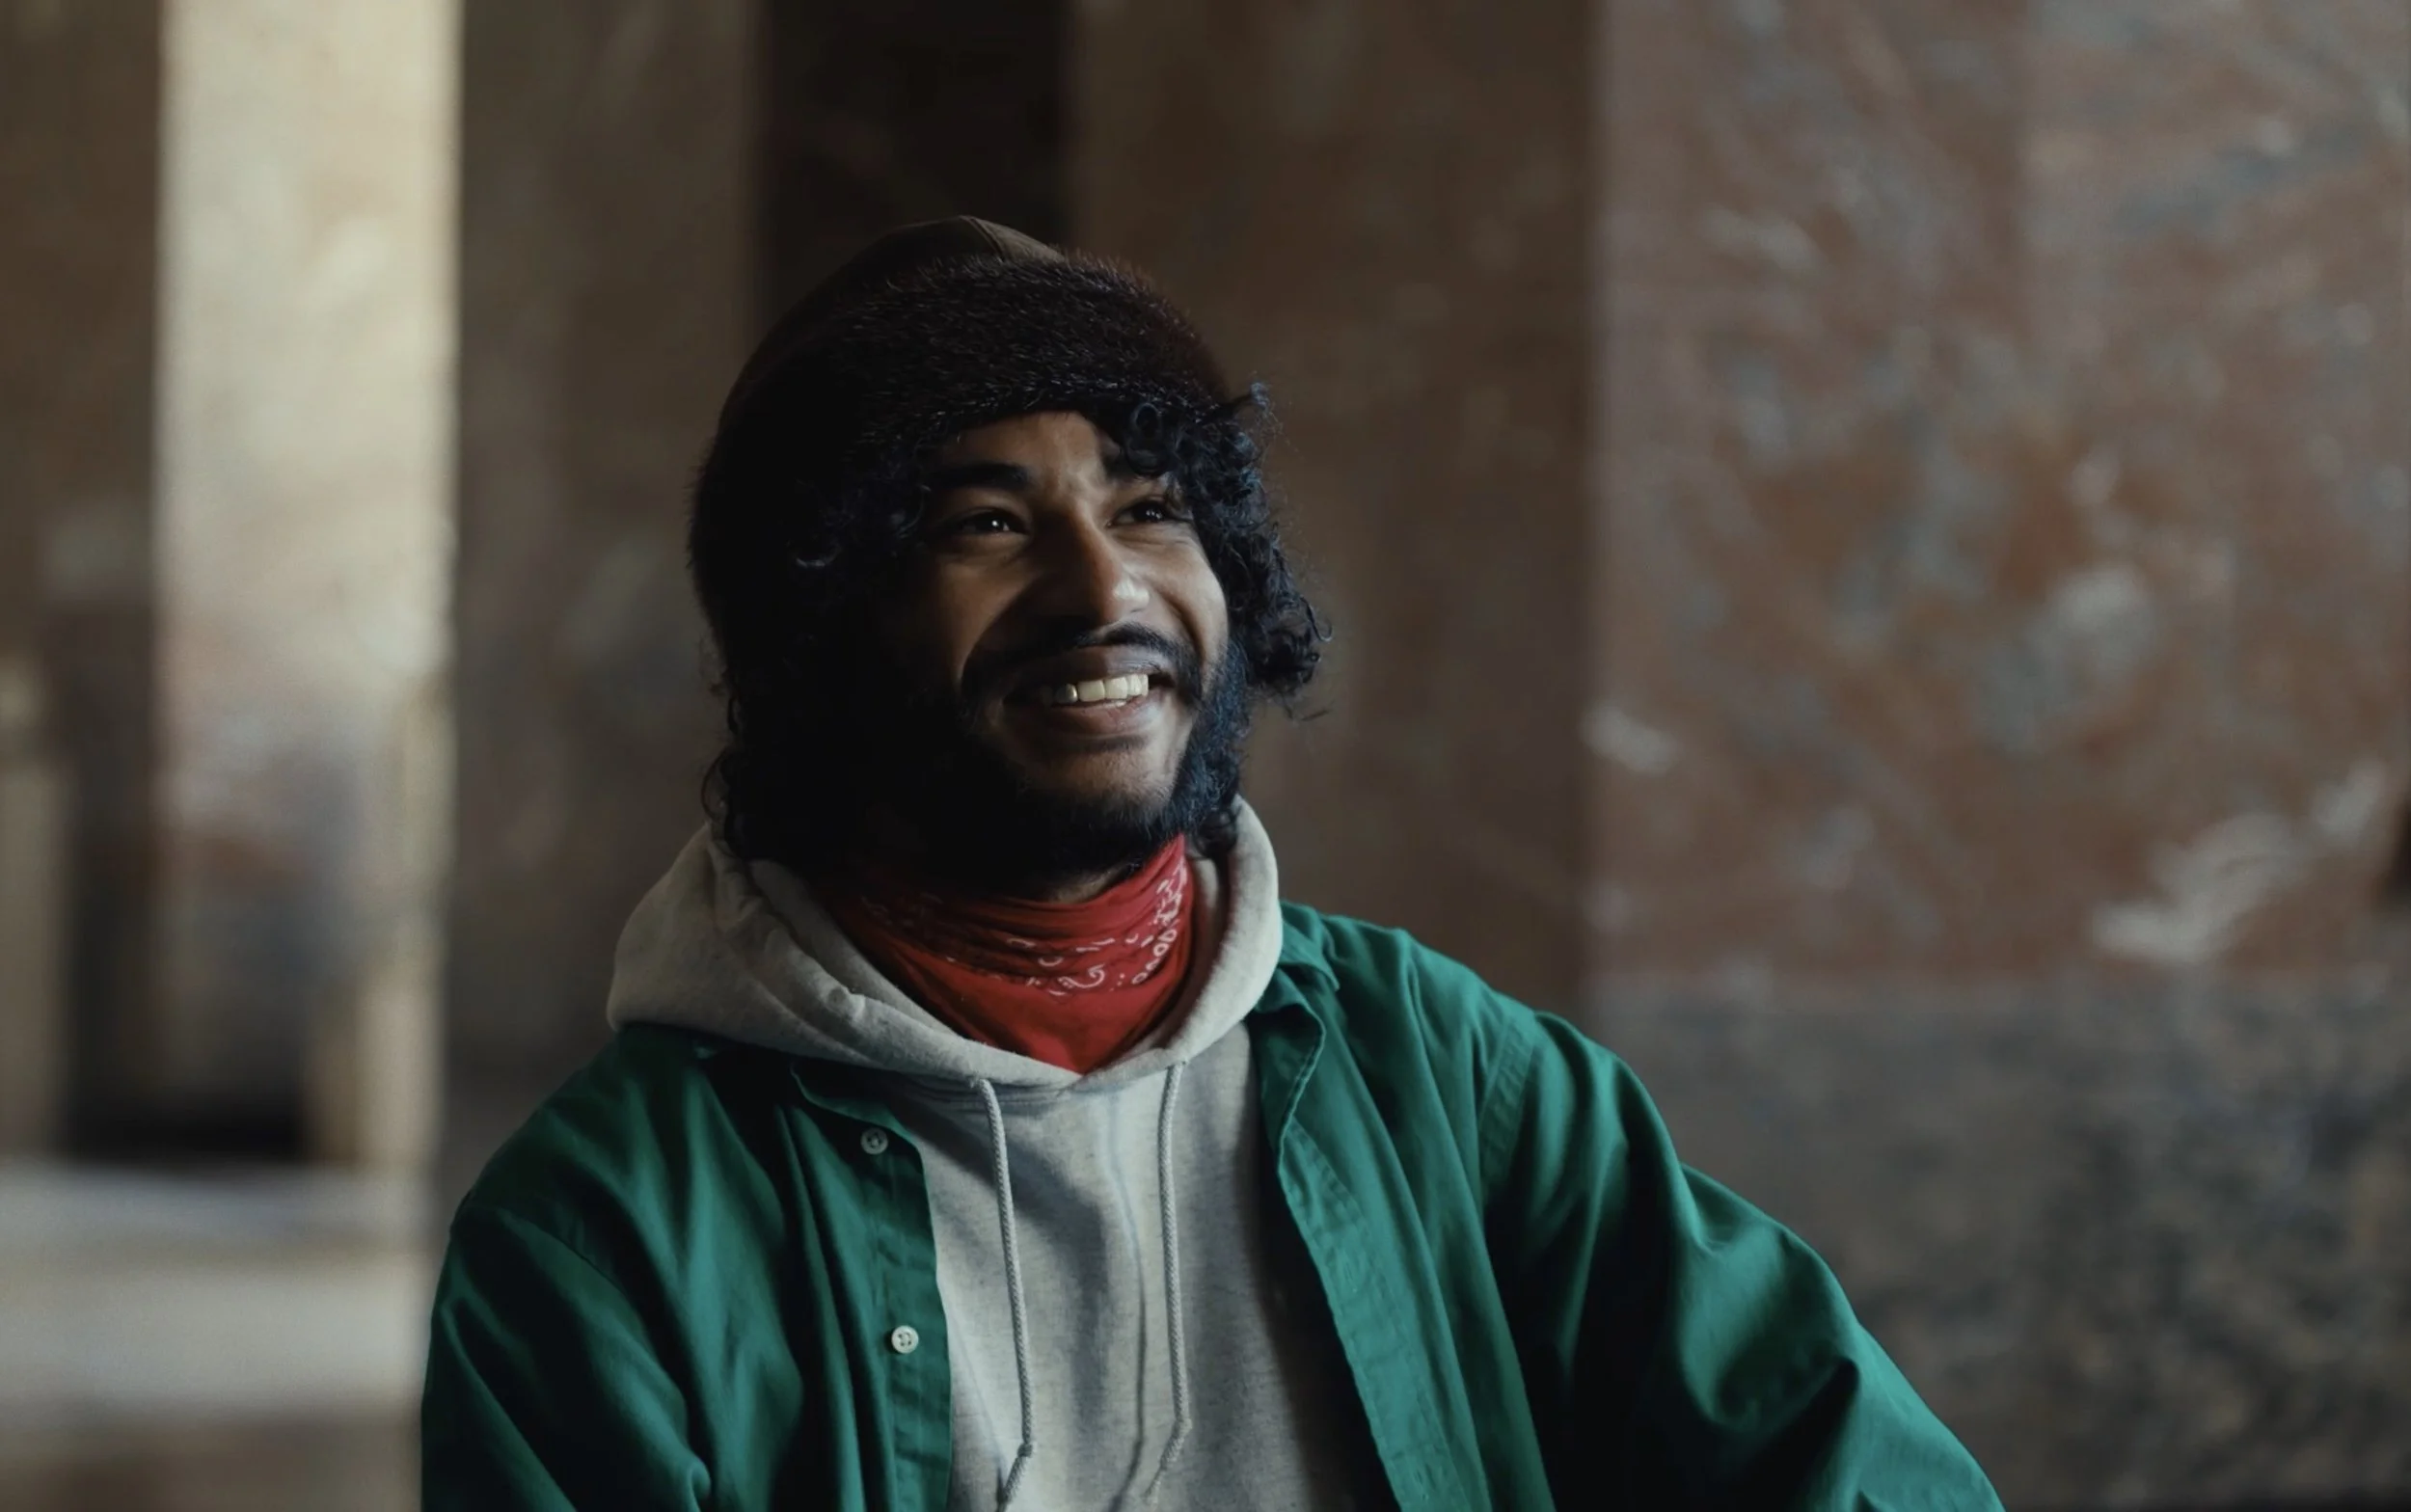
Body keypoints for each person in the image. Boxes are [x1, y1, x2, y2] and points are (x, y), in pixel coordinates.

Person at [420, 217, 2001, 1511]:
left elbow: (1841, 1458)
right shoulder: (604, 1228)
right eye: (984, 525)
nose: (1101, 584)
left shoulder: (1447, 1074)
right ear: (825, 626)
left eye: (1154, 506)